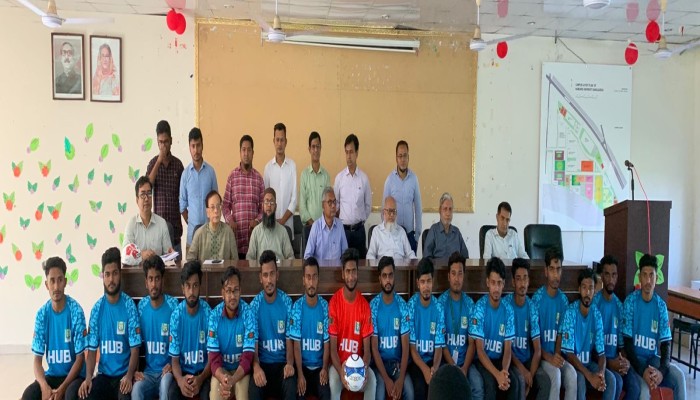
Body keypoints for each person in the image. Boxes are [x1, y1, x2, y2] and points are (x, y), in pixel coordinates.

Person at [79, 247, 141, 400]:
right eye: (107, 274)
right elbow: (92, 351)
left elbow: (135, 350)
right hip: (104, 376)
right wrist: (88, 378)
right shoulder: (97, 309)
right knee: (86, 396)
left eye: (114, 273)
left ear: (120, 274)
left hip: (124, 376)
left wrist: (129, 376)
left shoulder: (129, 306)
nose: (111, 279)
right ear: (103, 276)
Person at [622, 254, 686, 400]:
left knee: (679, 376)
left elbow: (666, 344)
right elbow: (627, 344)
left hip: (652, 360)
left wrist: (661, 372)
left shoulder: (661, 306)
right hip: (634, 362)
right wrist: (642, 370)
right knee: (644, 392)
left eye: (652, 275)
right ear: (639, 277)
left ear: (657, 278)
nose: (648, 280)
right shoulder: (630, 302)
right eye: (644, 275)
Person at [23, 257, 86, 400]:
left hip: (74, 377)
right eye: (52, 281)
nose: (56, 287)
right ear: (46, 284)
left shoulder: (76, 311)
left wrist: (62, 389)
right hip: (52, 376)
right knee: (29, 395)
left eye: (60, 280)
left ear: (65, 282)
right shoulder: (42, 315)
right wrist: (44, 386)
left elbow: (80, 358)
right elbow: (37, 360)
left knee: (70, 395)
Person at [246, 250, 297, 400]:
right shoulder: (254, 307)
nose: (269, 280)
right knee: (253, 392)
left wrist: (290, 363)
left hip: (282, 365)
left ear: (277, 275)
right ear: (260, 278)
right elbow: (253, 345)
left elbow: (290, 341)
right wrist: (256, 367)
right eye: (265, 275)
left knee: (291, 388)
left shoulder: (287, 302)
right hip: (262, 365)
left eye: (272, 274)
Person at [328, 248, 377, 400]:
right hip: (339, 365)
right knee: (333, 383)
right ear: (342, 274)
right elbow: (333, 350)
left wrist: (364, 369)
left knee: (372, 381)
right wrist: (341, 371)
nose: (351, 276)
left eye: (354, 271)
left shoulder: (364, 306)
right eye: (348, 271)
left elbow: (367, 351)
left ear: (358, 273)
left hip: (358, 366)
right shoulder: (334, 303)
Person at [560, 269, 615, 400]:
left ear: (595, 290)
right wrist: (590, 376)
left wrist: (601, 373)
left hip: (589, 364)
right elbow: (569, 355)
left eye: (591, 288)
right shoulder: (570, 312)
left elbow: (601, 353)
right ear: (579, 289)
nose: (587, 292)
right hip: (573, 365)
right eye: (584, 288)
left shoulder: (596, 314)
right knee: (580, 381)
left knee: (611, 380)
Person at [469, 257, 519, 400]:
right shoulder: (479, 308)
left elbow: (508, 349)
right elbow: (479, 350)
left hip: (500, 360)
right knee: (490, 385)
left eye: (499, 283)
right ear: (487, 283)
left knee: (513, 383)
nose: (496, 288)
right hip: (482, 361)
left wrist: (504, 372)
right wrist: (497, 375)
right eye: (493, 283)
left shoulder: (508, 310)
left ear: (504, 284)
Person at [531, 248, 576, 400]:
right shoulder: (536, 300)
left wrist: (556, 356)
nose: (556, 275)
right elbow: (534, 341)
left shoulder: (563, 301)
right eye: (552, 269)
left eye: (558, 269)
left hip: (556, 356)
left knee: (572, 375)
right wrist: (550, 358)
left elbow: (560, 334)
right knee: (555, 375)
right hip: (541, 357)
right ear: (546, 271)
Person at [132, 256, 180, 400]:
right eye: (150, 279)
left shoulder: (173, 306)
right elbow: (135, 344)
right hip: (148, 373)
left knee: (165, 386)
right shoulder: (141, 307)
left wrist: (172, 365)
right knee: (136, 389)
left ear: (162, 280)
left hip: (167, 372)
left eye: (157, 279)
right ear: (146, 282)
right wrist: (135, 371)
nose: (154, 284)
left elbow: (181, 342)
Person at [438, 252, 483, 400]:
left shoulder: (470, 304)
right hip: (446, 362)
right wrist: (454, 367)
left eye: (460, 274)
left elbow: (472, 343)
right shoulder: (440, 304)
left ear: (464, 276)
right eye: (453, 274)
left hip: (466, 363)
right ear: (448, 276)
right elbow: (441, 343)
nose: (456, 278)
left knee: (477, 386)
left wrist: (464, 368)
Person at [502, 258, 550, 400]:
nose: (522, 284)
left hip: (528, 360)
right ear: (513, 282)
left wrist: (530, 374)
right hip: (511, 360)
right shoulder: (505, 305)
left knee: (544, 381)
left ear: (529, 281)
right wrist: (523, 371)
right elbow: (506, 349)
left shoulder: (532, 307)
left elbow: (537, 349)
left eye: (525, 278)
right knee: (520, 381)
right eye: (518, 279)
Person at [592, 256, 637, 400]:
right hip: (598, 361)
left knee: (635, 387)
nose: (611, 279)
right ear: (601, 276)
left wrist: (624, 362)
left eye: (614, 275)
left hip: (614, 360)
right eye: (607, 274)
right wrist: (610, 363)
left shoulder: (619, 306)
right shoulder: (594, 304)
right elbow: (590, 348)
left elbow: (621, 345)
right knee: (616, 381)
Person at [207, 266, 255, 400]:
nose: (232, 296)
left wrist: (232, 380)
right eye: (228, 291)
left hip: (241, 371)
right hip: (222, 371)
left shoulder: (248, 314)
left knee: (243, 394)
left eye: (236, 290)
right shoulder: (214, 316)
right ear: (222, 293)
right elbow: (214, 359)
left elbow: (247, 357)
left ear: (240, 291)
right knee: (215, 393)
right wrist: (223, 378)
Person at [370, 256, 414, 400]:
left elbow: (406, 347)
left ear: (394, 277)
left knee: (409, 391)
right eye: (384, 276)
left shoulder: (402, 306)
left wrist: (400, 379)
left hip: (397, 365)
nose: (388, 280)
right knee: (380, 392)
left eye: (390, 275)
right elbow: (374, 348)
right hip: (379, 366)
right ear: (379, 279)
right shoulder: (374, 306)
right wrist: (386, 379)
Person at [168, 261, 213, 400]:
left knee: (206, 395)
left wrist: (200, 379)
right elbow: (174, 360)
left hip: (203, 374)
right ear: (183, 288)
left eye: (195, 285)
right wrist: (180, 381)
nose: (192, 292)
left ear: (200, 287)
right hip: (184, 373)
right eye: (188, 286)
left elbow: (212, 357)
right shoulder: (176, 316)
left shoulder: (208, 314)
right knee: (172, 394)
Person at [289, 257, 331, 400]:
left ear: (318, 279)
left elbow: (327, 343)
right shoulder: (297, 307)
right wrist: (300, 374)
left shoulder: (325, 307)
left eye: (314, 277)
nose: (311, 282)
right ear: (303, 280)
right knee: (299, 394)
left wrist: (324, 368)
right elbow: (296, 346)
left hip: (319, 368)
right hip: (303, 368)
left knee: (326, 394)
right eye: (308, 277)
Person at [407, 258, 446, 400]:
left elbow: (439, 347)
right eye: (422, 282)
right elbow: (412, 349)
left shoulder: (439, 308)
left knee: (438, 387)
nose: (426, 286)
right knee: (419, 388)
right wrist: (425, 370)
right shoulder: (411, 306)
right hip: (417, 362)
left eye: (429, 281)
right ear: (417, 283)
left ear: (433, 281)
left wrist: (434, 369)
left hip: (433, 360)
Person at [223, 135, 265, 259]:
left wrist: (257, 221)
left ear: (253, 153)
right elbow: (225, 206)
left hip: (254, 242)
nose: (246, 153)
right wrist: (230, 220)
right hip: (235, 241)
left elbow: (263, 208)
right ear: (240, 152)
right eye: (243, 150)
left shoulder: (259, 179)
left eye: (249, 150)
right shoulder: (232, 177)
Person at [146, 120, 184, 254]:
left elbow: (183, 195)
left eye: (166, 142)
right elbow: (147, 187)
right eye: (160, 142)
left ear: (171, 141)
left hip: (175, 231)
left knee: (177, 266)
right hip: (158, 233)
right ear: (157, 142)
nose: (163, 146)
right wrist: (159, 161)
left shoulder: (178, 165)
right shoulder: (153, 163)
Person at [180, 127, 218, 249]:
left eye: (198, 145)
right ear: (189, 148)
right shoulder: (185, 174)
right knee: (191, 262)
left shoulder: (211, 172)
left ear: (202, 146)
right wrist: (192, 222)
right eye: (193, 146)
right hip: (192, 238)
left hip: (211, 236)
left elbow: (216, 202)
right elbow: (182, 205)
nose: (196, 150)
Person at [334, 134, 372, 259]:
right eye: (346, 152)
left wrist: (359, 220)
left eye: (351, 152)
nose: (348, 156)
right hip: (343, 232)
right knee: (343, 265)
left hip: (359, 232)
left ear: (357, 153)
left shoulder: (364, 179)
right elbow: (336, 205)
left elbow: (368, 206)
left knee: (360, 265)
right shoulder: (339, 178)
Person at [123, 176, 173, 265]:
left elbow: (169, 256)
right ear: (137, 200)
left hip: (157, 272)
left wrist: (171, 254)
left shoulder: (162, 223)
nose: (146, 199)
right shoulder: (131, 224)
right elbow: (125, 256)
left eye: (149, 194)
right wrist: (141, 255)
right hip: (137, 272)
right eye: (143, 195)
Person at [383, 140, 422, 253]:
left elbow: (418, 209)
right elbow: (383, 210)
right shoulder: (390, 180)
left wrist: (417, 236)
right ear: (396, 158)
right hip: (394, 235)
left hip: (410, 235)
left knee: (411, 264)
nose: (403, 159)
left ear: (408, 157)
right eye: (400, 156)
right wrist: (387, 235)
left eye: (405, 156)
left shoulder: (414, 179)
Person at [264, 122, 297, 237]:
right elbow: (266, 199)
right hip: (271, 226)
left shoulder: (292, 166)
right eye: (277, 140)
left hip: (288, 226)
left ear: (286, 142)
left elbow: (294, 200)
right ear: (273, 141)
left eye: (282, 140)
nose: (279, 144)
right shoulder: (268, 168)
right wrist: (275, 221)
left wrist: (283, 220)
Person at [186, 190, 238, 262]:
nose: (216, 210)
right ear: (207, 212)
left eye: (218, 206)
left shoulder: (228, 232)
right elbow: (190, 260)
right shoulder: (199, 233)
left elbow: (235, 260)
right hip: (203, 269)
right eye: (212, 207)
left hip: (224, 269)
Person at [246, 187, 294, 262]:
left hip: (279, 268)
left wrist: (283, 266)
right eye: (266, 202)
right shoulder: (256, 231)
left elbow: (290, 257)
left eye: (272, 202)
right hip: (261, 268)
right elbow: (249, 258)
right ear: (262, 206)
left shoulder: (283, 231)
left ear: (275, 206)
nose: (269, 205)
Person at [303, 187, 348, 262]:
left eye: (334, 202)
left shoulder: (340, 225)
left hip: (337, 268)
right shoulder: (316, 226)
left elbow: (345, 253)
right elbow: (307, 256)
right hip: (320, 269)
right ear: (323, 205)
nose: (333, 206)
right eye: (330, 202)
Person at [423, 193, 469, 259]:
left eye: (450, 209)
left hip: (454, 265)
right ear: (440, 210)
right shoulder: (433, 230)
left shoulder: (456, 232)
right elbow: (427, 257)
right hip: (437, 265)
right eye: (445, 209)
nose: (448, 213)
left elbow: (465, 256)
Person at [299, 131, 331, 226]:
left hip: (324, 227)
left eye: (318, 146)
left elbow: (328, 203)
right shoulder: (304, 175)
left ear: (321, 148)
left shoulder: (326, 176)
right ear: (309, 149)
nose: (316, 150)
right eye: (313, 147)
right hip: (309, 227)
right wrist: (313, 225)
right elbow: (302, 206)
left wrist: (321, 225)